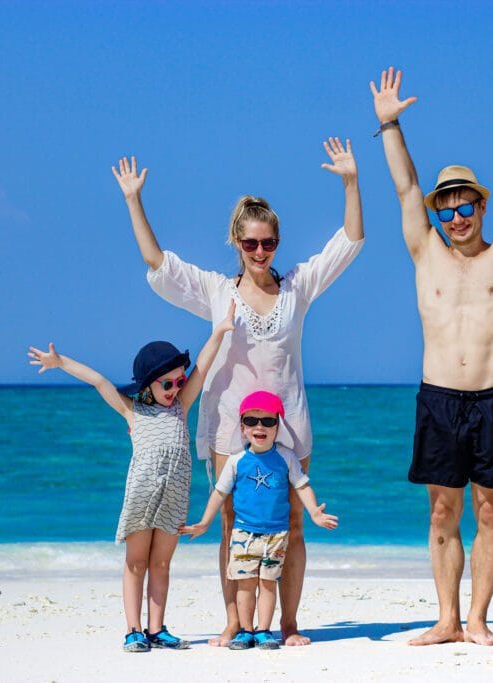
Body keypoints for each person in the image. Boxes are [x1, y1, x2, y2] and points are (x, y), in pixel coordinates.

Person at [111, 137, 363, 646]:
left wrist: (351, 181)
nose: (260, 252)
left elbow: (350, 242)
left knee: (291, 522)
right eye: (250, 244)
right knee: (232, 522)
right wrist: (133, 199)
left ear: (277, 243)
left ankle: (286, 623)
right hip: (230, 421)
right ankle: (236, 620)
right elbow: (157, 264)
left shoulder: (298, 287)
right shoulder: (215, 290)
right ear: (235, 242)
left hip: (288, 419)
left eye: (268, 242)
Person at [369, 61, 493, 646]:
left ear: (481, 207)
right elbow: (405, 187)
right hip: (438, 399)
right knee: (440, 514)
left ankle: (478, 619)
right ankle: (447, 619)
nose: (455, 217)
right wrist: (389, 127)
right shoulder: (425, 251)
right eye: (446, 209)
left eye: (464, 207)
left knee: (490, 510)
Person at [26, 301, 235, 652]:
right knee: (136, 562)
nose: (174, 389)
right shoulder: (133, 410)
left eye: (178, 382)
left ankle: (157, 629)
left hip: (174, 495)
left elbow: (202, 365)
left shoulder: (182, 406)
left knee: (162, 562)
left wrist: (219, 331)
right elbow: (99, 381)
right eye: (166, 384)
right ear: (147, 386)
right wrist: (60, 363)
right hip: (142, 496)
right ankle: (133, 630)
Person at [179, 391, 338, 650]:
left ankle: (264, 631)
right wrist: (204, 523)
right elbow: (219, 493)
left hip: (276, 535)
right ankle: (245, 630)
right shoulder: (236, 461)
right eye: (251, 421)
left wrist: (315, 513)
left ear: (278, 425)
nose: (259, 427)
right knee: (245, 584)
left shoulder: (285, 458)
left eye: (268, 421)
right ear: (242, 427)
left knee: (267, 584)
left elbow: (302, 485)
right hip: (243, 535)